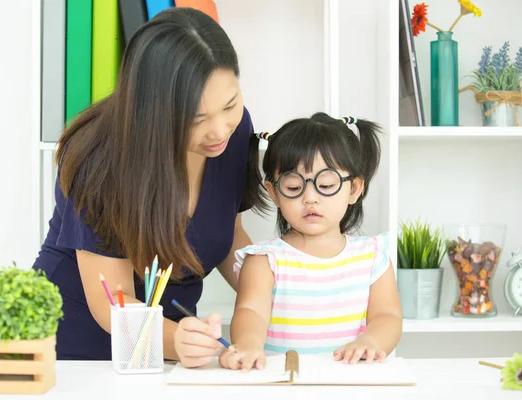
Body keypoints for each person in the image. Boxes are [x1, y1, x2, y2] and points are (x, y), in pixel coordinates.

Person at [32, 7, 268, 365]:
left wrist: (269, 297)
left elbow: (226, 234)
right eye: (196, 119)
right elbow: (111, 299)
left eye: (230, 104)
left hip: (169, 345)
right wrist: (176, 341)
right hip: (77, 349)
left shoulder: (234, 133)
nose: (220, 130)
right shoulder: (99, 158)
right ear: (153, 113)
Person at [219, 113, 403, 372]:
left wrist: (371, 341)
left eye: (326, 185)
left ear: (354, 189)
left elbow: (388, 316)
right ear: (273, 192)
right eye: (294, 188)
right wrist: (248, 344)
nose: (310, 198)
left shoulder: (372, 256)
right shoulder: (264, 260)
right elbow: (251, 311)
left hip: (351, 386)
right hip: (283, 387)